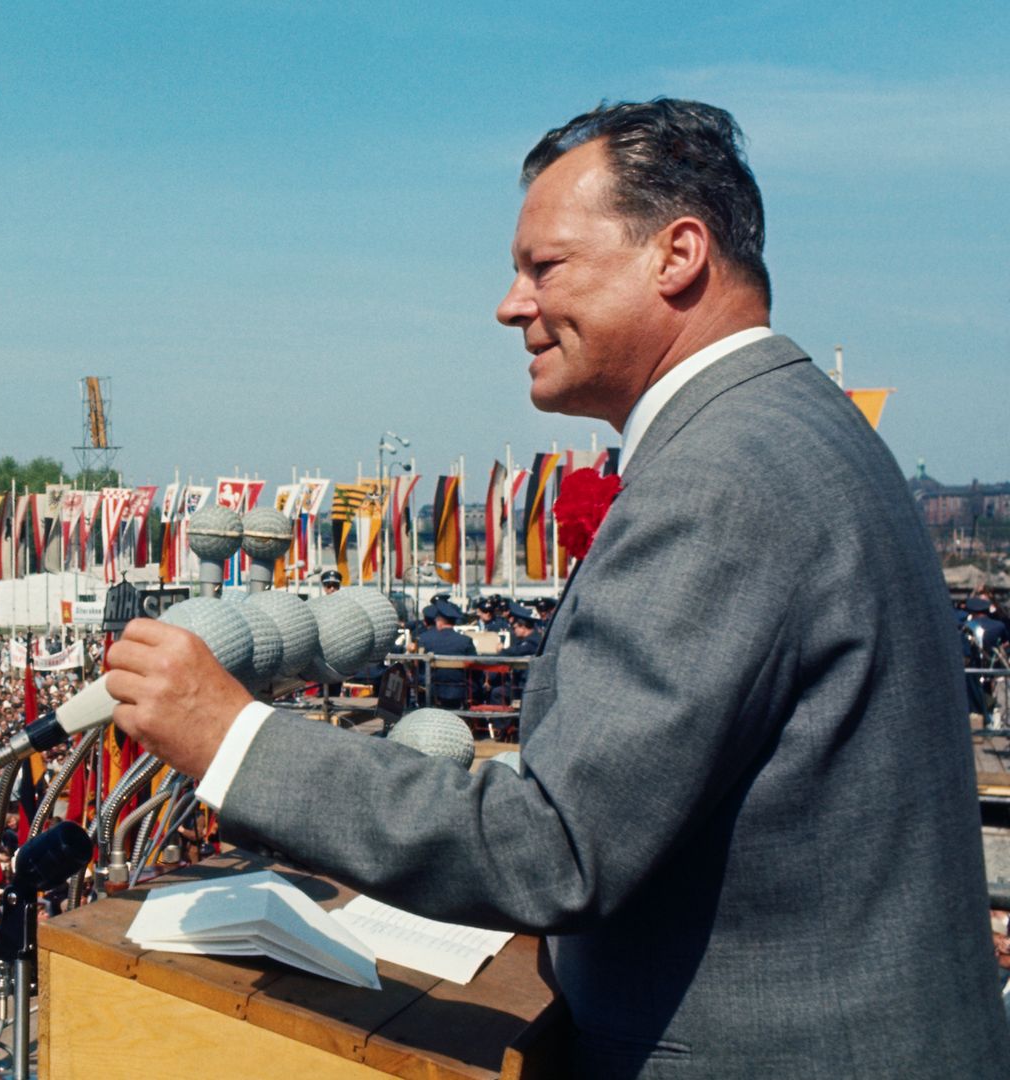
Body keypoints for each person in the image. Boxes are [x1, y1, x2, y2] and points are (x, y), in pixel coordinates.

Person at [106, 98, 1010, 1077]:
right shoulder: (796, 422)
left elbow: (557, 850)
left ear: (678, 255)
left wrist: (229, 737)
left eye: (545, 267)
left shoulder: (721, 476)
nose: (510, 304)